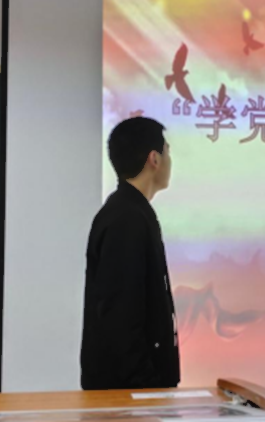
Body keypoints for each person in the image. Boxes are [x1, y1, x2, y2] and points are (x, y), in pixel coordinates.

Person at [80, 117, 180, 390]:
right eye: (167, 152)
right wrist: (146, 386)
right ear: (154, 159)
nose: (170, 161)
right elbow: (121, 315)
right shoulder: (127, 218)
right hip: (129, 394)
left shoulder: (130, 211)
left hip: (133, 390)